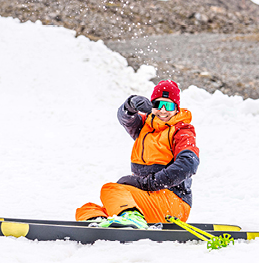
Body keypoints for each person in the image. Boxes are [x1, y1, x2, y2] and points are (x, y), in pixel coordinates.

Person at [75, 80, 199, 229]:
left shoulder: (181, 131)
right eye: (158, 105)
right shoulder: (145, 126)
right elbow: (126, 119)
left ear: (177, 108)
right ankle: (100, 224)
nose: (163, 110)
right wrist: (130, 104)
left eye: (169, 105)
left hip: (172, 203)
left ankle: (132, 218)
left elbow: (188, 163)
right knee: (86, 209)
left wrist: (150, 183)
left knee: (111, 189)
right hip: (148, 199)